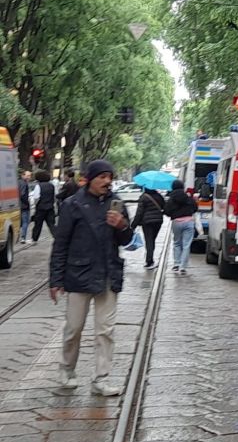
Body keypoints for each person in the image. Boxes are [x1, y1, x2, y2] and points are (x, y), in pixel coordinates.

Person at [49, 159, 132, 396]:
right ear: (90, 179)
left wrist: (122, 225)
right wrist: (56, 279)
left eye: (110, 177)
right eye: (102, 177)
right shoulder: (72, 204)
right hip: (79, 274)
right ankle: (67, 370)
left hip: (108, 274)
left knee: (105, 330)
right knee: (73, 328)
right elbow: (60, 244)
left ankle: (101, 378)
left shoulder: (117, 204)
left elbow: (127, 239)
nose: (107, 181)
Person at [163, 180, 197, 275]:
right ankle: (183, 267)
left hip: (176, 222)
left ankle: (176, 264)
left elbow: (166, 211)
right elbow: (195, 208)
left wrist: (173, 214)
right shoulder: (188, 197)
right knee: (186, 244)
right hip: (188, 222)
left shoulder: (171, 199)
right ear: (182, 187)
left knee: (177, 243)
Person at [131, 187, 165, 270]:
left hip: (147, 222)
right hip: (158, 221)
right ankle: (150, 259)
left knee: (149, 241)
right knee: (152, 240)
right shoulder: (159, 196)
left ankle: (149, 261)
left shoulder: (143, 197)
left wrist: (133, 225)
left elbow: (139, 213)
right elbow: (164, 207)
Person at [31, 170, 57, 244]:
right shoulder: (51, 185)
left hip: (41, 208)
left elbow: (36, 197)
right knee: (51, 224)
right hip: (50, 208)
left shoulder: (38, 186)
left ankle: (34, 239)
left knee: (38, 224)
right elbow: (55, 196)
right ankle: (57, 237)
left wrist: (35, 205)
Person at [17, 170, 31, 244]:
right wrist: (27, 202)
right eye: (27, 175)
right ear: (23, 175)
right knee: (25, 222)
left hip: (18, 205)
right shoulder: (24, 183)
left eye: (30, 175)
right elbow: (22, 195)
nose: (29, 177)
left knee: (20, 222)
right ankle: (23, 238)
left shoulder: (18, 182)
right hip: (24, 206)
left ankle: (18, 237)